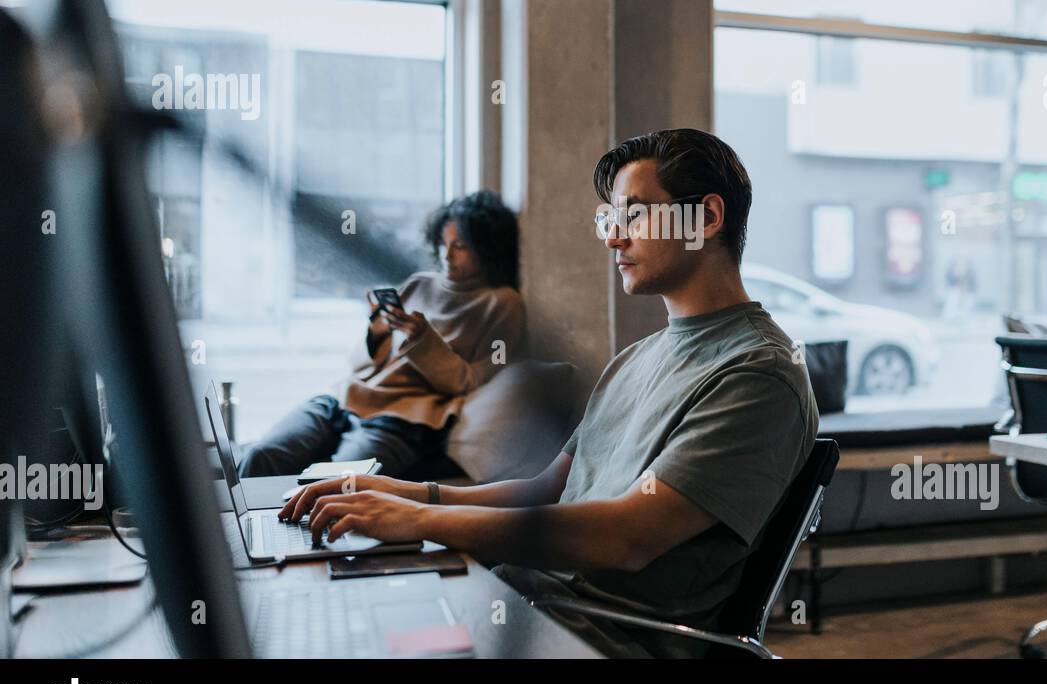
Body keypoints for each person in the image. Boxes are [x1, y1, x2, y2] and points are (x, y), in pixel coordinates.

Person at [280, 129, 818, 657]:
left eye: (632, 214)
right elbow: (544, 491)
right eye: (609, 218)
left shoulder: (759, 374)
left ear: (706, 219)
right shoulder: (637, 357)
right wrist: (406, 494)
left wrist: (420, 522)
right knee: (332, 612)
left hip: (595, 634)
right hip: (522, 597)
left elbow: (626, 537)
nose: (612, 237)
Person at [239, 191, 524, 479]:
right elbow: (360, 365)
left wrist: (423, 341)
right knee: (260, 457)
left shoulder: (502, 304)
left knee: (337, 485)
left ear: (488, 250)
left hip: (403, 419)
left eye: (460, 246)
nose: (446, 256)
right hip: (344, 398)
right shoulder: (419, 284)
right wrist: (376, 334)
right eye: (442, 243)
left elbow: (472, 381)